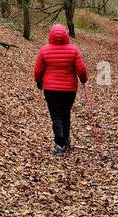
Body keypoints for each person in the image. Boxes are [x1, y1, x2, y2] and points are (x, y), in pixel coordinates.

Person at [33, 23, 88, 154]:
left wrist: (38, 82)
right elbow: (81, 69)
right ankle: (65, 138)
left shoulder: (44, 50)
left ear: (50, 35)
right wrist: (83, 79)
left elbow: (37, 70)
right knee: (66, 113)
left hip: (51, 90)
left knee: (56, 116)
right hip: (69, 90)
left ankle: (59, 143)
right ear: (66, 35)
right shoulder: (73, 50)